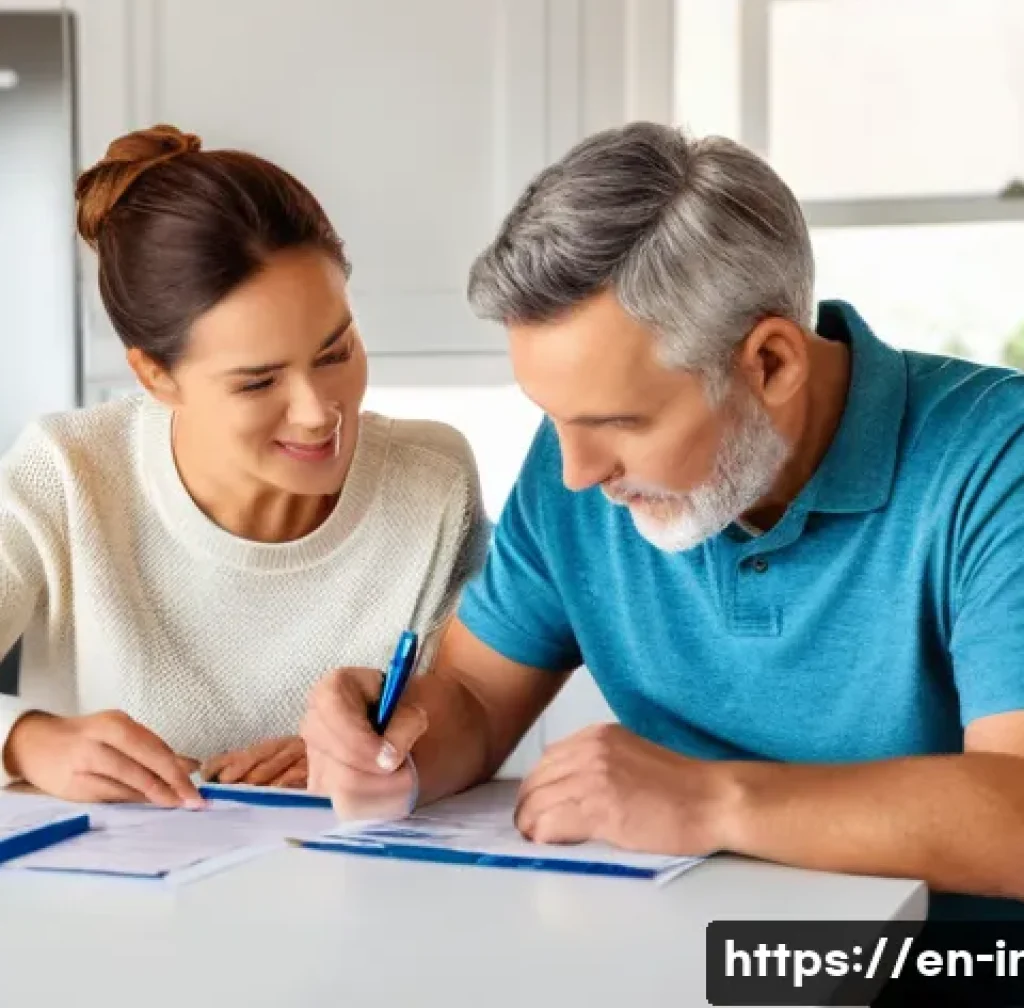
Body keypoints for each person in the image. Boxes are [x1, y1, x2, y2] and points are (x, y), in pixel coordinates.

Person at [302, 122, 1024, 919]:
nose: (577, 472)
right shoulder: (576, 462)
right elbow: (473, 694)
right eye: (553, 417)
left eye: (621, 422)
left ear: (771, 363)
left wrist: (713, 803)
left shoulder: (998, 460)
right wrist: (394, 748)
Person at [0, 125, 486, 807]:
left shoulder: (433, 481)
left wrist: (367, 754)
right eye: (258, 383)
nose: (318, 411)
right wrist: (26, 739)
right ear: (154, 376)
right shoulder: (68, 473)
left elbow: (469, 708)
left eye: (335, 352)